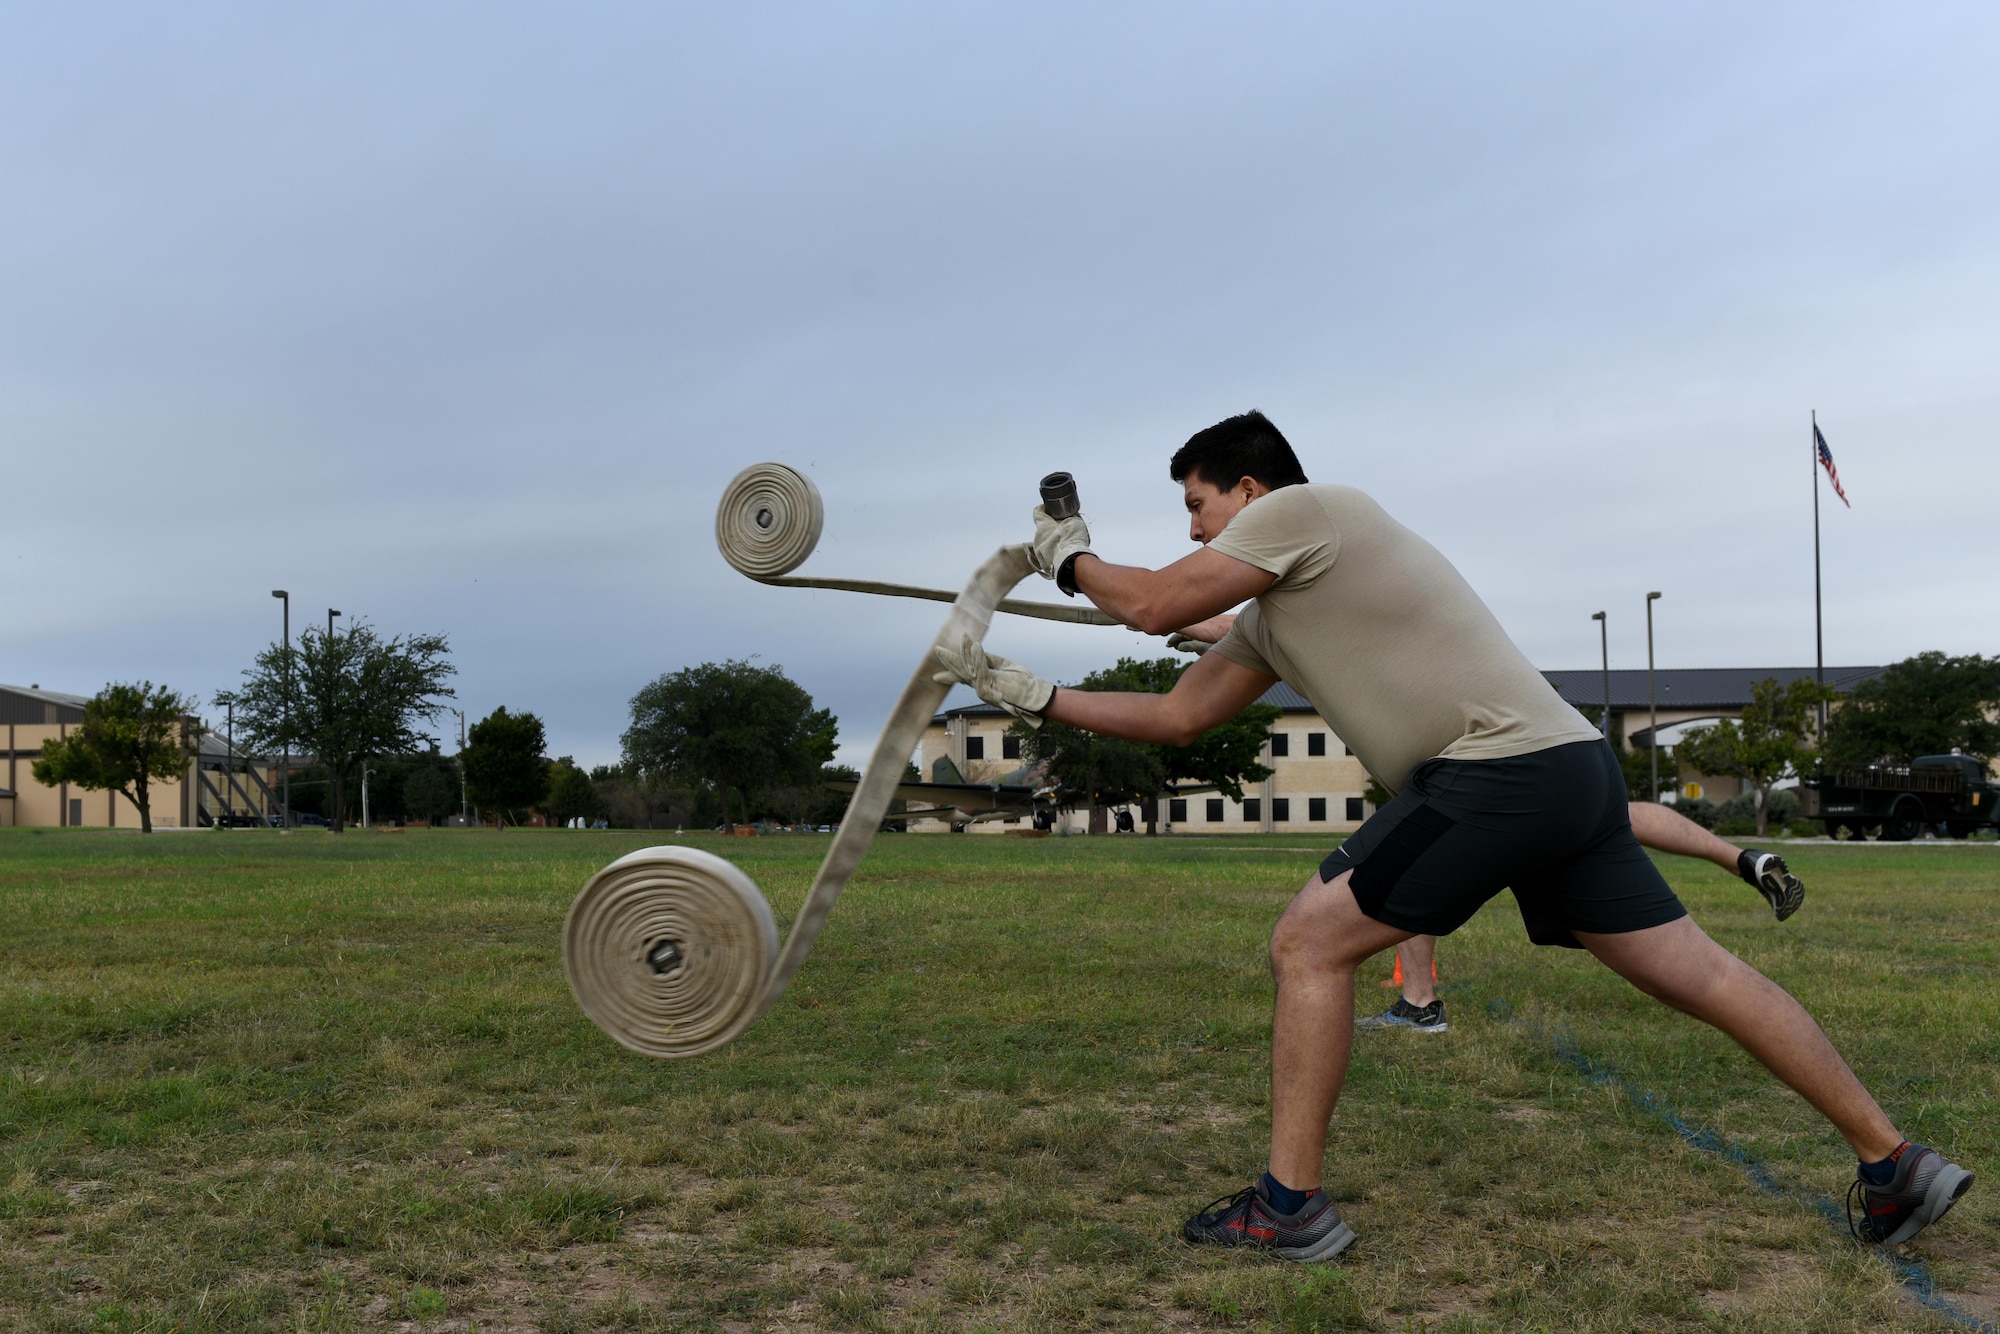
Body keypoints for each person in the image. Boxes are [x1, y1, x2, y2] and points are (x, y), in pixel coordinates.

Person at [930, 411, 1971, 1260]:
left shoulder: (1313, 509)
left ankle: (1286, 1204)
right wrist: (1033, 692)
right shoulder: (1275, 614)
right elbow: (1174, 715)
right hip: (1564, 767)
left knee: (1306, 941)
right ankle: (1893, 1162)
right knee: (1696, 969)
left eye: (1198, 508)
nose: (1197, 532)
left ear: (1250, 491)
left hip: (1497, 770)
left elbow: (1152, 600)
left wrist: (1066, 554)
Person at [1358, 804, 1806, 1033]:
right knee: (1616, 813)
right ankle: (1740, 858)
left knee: (1419, 849)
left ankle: (1419, 1004)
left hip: (1501, 768)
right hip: (1567, 745)